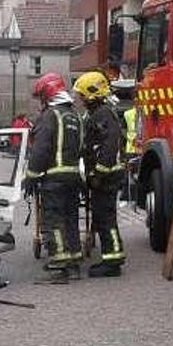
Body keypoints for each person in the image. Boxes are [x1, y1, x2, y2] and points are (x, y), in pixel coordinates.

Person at [23, 72, 84, 284]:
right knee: (71, 220)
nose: (40, 102)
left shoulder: (50, 116)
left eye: (41, 97)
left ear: (48, 94)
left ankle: (59, 267)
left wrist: (30, 177)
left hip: (54, 179)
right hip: (74, 178)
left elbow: (40, 150)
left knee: (54, 222)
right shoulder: (74, 116)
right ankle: (74, 263)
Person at [73, 72, 126, 278]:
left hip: (107, 177)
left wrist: (98, 174)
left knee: (105, 218)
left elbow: (108, 147)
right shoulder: (99, 114)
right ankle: (111, 257)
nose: (81, 100)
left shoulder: (103, 114)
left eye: (82, 95)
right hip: (104, 176)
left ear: (92, 95)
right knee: (103, 217)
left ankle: (112, 261)